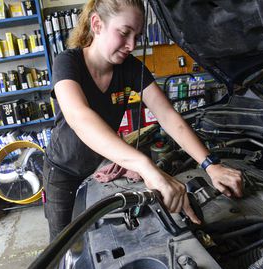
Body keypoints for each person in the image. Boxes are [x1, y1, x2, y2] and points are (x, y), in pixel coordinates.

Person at [43, 0, 243, 243]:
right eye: (124, 32)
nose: (131, 45)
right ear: (96, 24)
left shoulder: (130, 68)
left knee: (98, 237)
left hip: (100, 166)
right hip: (62, 169)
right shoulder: (68, 62)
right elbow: (79, 117)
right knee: (62, 245)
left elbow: (168, 116)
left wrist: (211, 165)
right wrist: (144, 165)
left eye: (137, 36)